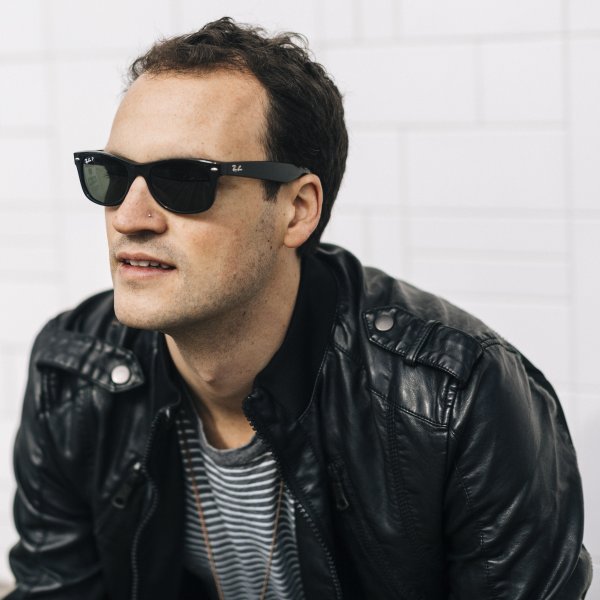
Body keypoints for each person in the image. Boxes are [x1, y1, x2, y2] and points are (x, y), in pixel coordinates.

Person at [5, 16, 592, 600]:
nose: (129, 218)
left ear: (297, 210)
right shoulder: (73, 372)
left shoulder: (456, 399)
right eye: (112, 176)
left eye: (184, 180)